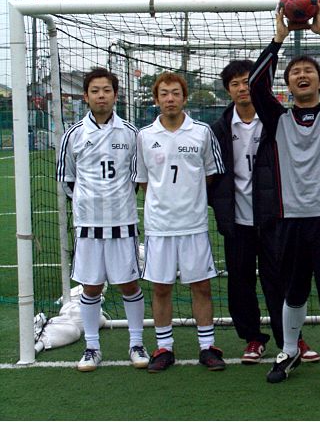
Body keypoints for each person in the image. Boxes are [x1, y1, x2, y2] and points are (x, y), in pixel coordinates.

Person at [248, 1, 320, 404]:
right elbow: (255, 84)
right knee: (292, 295)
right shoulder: (276, 118)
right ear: (288, 85)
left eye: (309, 71)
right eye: (295, 72)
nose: (301, 75)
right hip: (290, 222)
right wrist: (278, 38)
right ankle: (289, 350)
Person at [208, 60, 319, 364]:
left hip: (274, 218)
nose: (242, 88)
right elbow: (212, 175)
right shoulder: (219, 129)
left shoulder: (277, 120)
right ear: (228, 90)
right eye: (235, 84)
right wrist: (221, 207)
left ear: (259, 85)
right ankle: (253, 338)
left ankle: (291, 339)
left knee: (280, 280)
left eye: (247, 81)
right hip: (236, 221)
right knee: (240, 282)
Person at [56, 68, 149, 372]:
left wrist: (115, 201)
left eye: (106, 90)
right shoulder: (74, 134)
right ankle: (92, 347)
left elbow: (136, 178)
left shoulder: (131, 133)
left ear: (115, 95)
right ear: (86, 96)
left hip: (123, 222)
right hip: (88, 225)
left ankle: (136, 343)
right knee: (91, 286)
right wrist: (90, 203)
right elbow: (67, 180)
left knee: (129, 284)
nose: (101, 96)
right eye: (95, 91)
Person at [135, 72, 226, 373]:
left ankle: (207, 346)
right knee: (161, 288)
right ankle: (164, 347)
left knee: (201, 286)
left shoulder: (201, 132)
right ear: (156, 99)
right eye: (164, 94)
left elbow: (211, 174)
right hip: (160, 226)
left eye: (175, 93)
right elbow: (144, 181)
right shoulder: (145, 136)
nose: (170, 99)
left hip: (194, 225)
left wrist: (189, 198)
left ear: (184, 98)